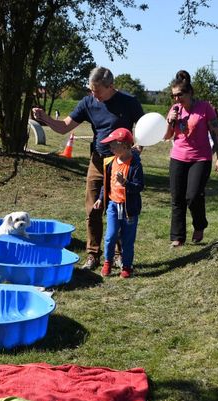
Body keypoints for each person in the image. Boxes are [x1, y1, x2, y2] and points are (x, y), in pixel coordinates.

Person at [32, 67, 144, 271]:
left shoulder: (129, 102)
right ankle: (93, 254)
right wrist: (45, 118)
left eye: (97, 90)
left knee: (119, 209)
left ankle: (119, 255)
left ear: (110, 86)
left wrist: (138, 148)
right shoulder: (88, 102)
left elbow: (143, 128)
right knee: (93, 209)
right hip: (97, 161)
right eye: (91, 90)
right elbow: (64, 126)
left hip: (120, 164)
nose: (94, 95)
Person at [163, 70, 218, 248]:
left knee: (193, 195)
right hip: (178, 157)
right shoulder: (175, 110)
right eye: (173, 96)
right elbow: (167, 136)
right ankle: (178, 236)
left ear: (190, 93)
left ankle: (199, 225)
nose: (176, 99)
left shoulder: (205, 108)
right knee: (177, 198)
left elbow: (216, 134)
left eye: (179, 95)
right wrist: (170, 121)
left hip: (200, 158)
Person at [92, 128, 144, 278]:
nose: (111, 148)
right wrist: (101, 198)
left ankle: (127, 266)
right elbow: (105, 184)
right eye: (110, 145)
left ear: (126, 146)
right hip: (113, 206)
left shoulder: (135, 165)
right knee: (111, 235)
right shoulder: (110, 162)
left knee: (128, 239)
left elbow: (139, 186)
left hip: (129, 209)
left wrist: (125, 183)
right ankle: (108, 262)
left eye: (114, 145)